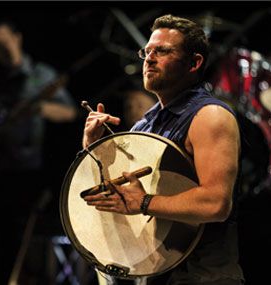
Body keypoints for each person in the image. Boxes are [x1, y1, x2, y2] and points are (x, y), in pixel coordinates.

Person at [82, 14, 244, 285]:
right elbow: (119, 196)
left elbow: (217, 203)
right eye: (147, 51)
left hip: (203, 277)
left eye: (163, 51)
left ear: (194, 63)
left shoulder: (210, 116)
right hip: (155, 274)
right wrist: (93, 146)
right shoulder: (146, 123)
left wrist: (144, 203)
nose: (149, 58)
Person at [0, 19, 77, 285]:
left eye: (4, 42)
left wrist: (40, 109)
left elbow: (70, 111)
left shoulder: (41, 75)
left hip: (26, 168)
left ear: (17, 38)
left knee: (18, 238)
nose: (2, 50)